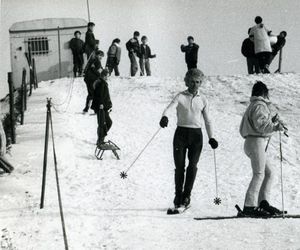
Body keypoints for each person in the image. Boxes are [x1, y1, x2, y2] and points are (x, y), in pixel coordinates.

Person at [159, 68, 218, 208]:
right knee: (179, 167)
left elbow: (208, 120)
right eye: (192, 81)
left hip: (196, 136)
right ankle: (178, 195)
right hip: (181, 134)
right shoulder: (180, 96)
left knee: (192, 166)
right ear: (187, 81)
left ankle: (187, 195)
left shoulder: (203, 99)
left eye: (198, 82)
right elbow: (169, 108)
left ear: (201, 83)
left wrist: (212, 138)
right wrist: (165, 117)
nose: (194, 85)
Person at [239, 81, 286, 217]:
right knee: (259, 174)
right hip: (256, 141)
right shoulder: (260, 105)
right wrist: (275, 126)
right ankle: (249, 206)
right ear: (265, 93)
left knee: (269, 172)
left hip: (253, 141)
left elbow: (259, 122)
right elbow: (260, 125)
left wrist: (271, 121)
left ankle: (263, 202)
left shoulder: (254, 105)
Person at [91, 69, 112, 146]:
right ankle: (100, 140)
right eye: (107, 75)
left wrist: (109, 104)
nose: (108, 77)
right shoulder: (100, 83)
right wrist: (101, 104)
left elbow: (105, 95)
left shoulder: (103, 83)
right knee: (101, 124)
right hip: (101, 107)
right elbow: (98, 96)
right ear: (104, 75)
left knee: (108, 122)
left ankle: (101, 137)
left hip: (104, 107)